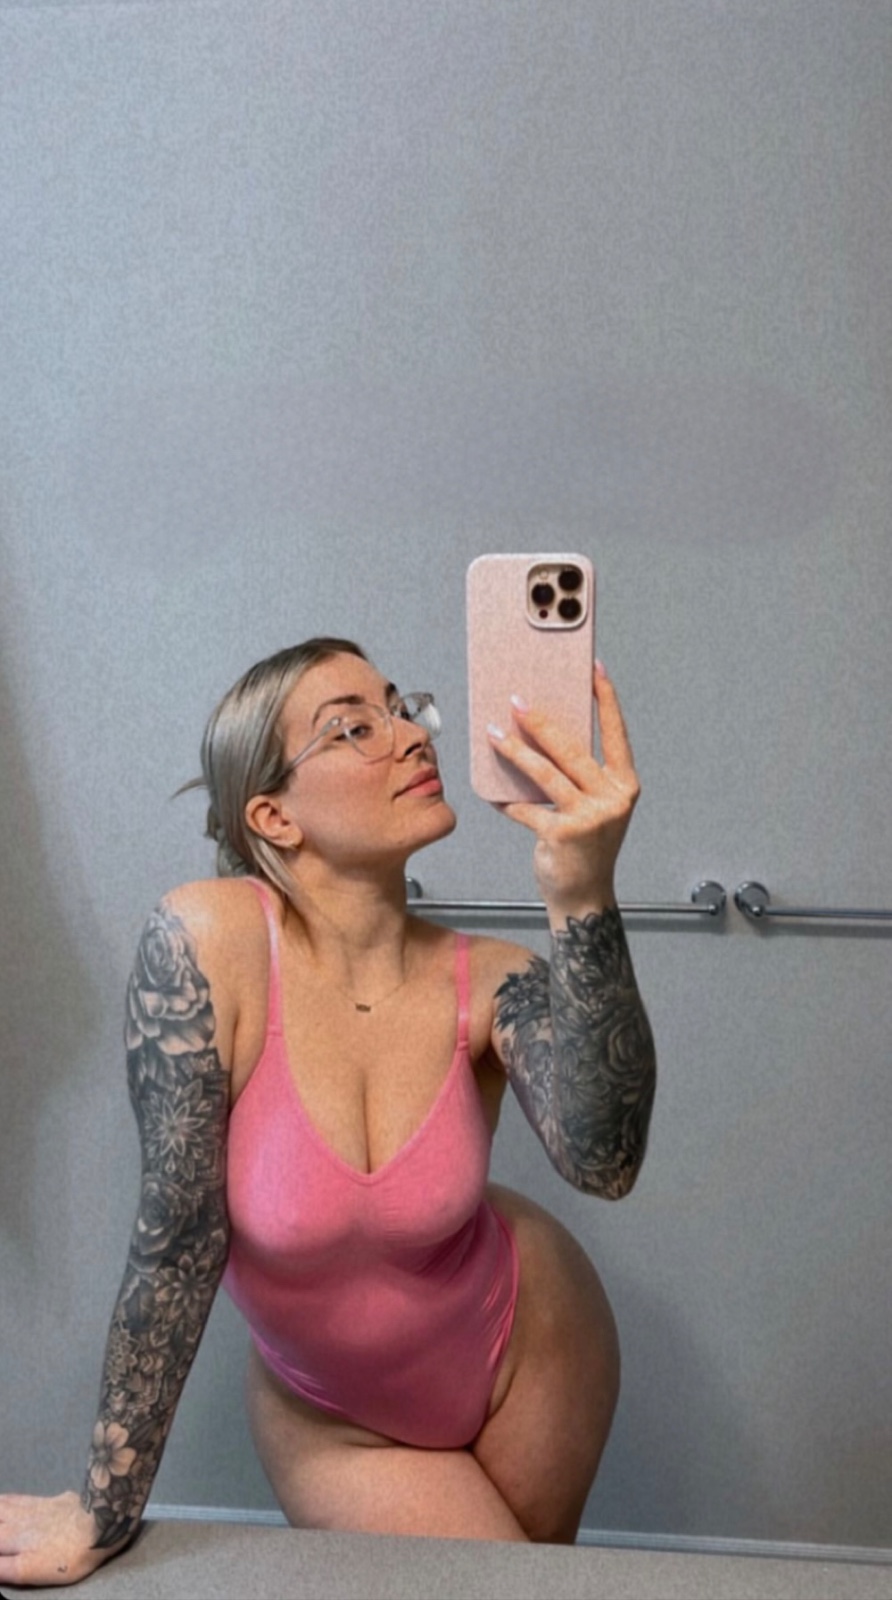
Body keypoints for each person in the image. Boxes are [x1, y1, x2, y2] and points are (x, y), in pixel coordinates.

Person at [0, 635, 656, 1586]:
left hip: (538, 1343)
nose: (411, 735)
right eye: (353, 728)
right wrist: (102, 1514)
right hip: (336, 1420)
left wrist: (584, 892)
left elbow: (606, 1162)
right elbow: (178, 1243)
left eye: (401, 708)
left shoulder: (495, 978)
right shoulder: (206, 941)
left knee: (536, 1585)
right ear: (273, 815)